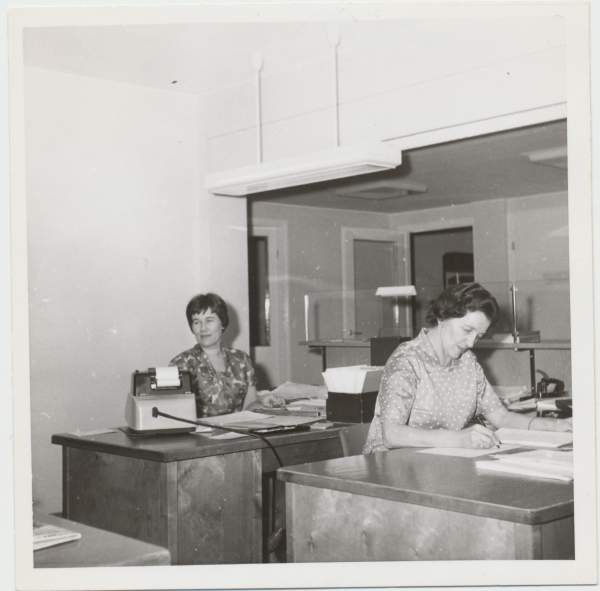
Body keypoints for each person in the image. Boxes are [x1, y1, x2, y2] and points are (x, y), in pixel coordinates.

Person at [363, 282, 572, 453]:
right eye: (467, 330)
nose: (471, 343)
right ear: (442, 317)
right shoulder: (407, 359)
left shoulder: (467, 362)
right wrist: (459, 439)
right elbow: (391, 434)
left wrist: (556, 426)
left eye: (478, 336)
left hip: (439, 464)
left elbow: (501, 417)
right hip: (391, 465)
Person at [170, 293, 284, 418]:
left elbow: (247, 409)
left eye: (209, 321)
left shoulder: (242, 359)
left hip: (238, 428)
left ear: (222, 323)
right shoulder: (181, 364)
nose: (203, 328)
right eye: (197, 322)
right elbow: (175, 413)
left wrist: (260, 401)